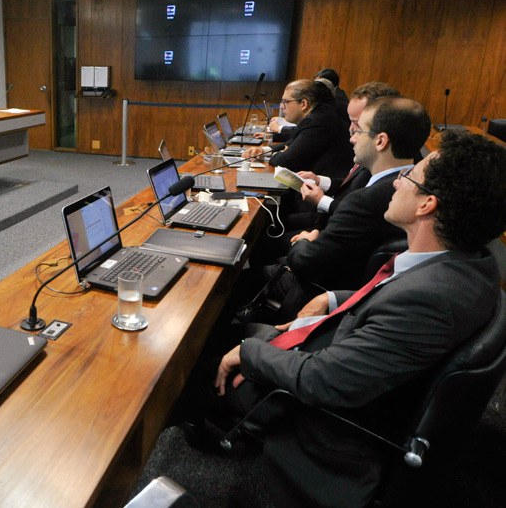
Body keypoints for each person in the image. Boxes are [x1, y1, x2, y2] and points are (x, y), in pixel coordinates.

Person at [183, 131, 505, 507]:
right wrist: (334, 297)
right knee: (229, 334)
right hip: (342, 356)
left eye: (409, 176)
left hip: (324, 417)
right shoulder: (468, 264)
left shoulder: (428, 301)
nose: (396, 182)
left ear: (426, 204)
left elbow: (323, 381)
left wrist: (248, 353)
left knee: (184, 367)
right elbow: (392, 297)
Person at [259, 96, 431, 323]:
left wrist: (303, 242)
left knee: (238, 280)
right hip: (340, 280)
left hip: (318, 293)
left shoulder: (370, 199)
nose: (351, 138)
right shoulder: (400, 184)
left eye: (359, 130)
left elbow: (307, 262)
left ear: (380, 141)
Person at [296, 81, 401, 226]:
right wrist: (320, 181)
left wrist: (322, 201)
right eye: (350, 121)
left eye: (357, 123)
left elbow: (362, 214)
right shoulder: (369, 152)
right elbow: (353, 185)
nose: (350, 130)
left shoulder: (384, 160)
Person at [243, 79, 352, 181]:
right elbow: (291, 142)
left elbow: (285, 161)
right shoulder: (319, 115)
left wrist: (277, 154)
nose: (282, 106)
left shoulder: (317, 122)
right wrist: (264, 150)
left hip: (326, 189)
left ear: (304, 104)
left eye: (286, 101)